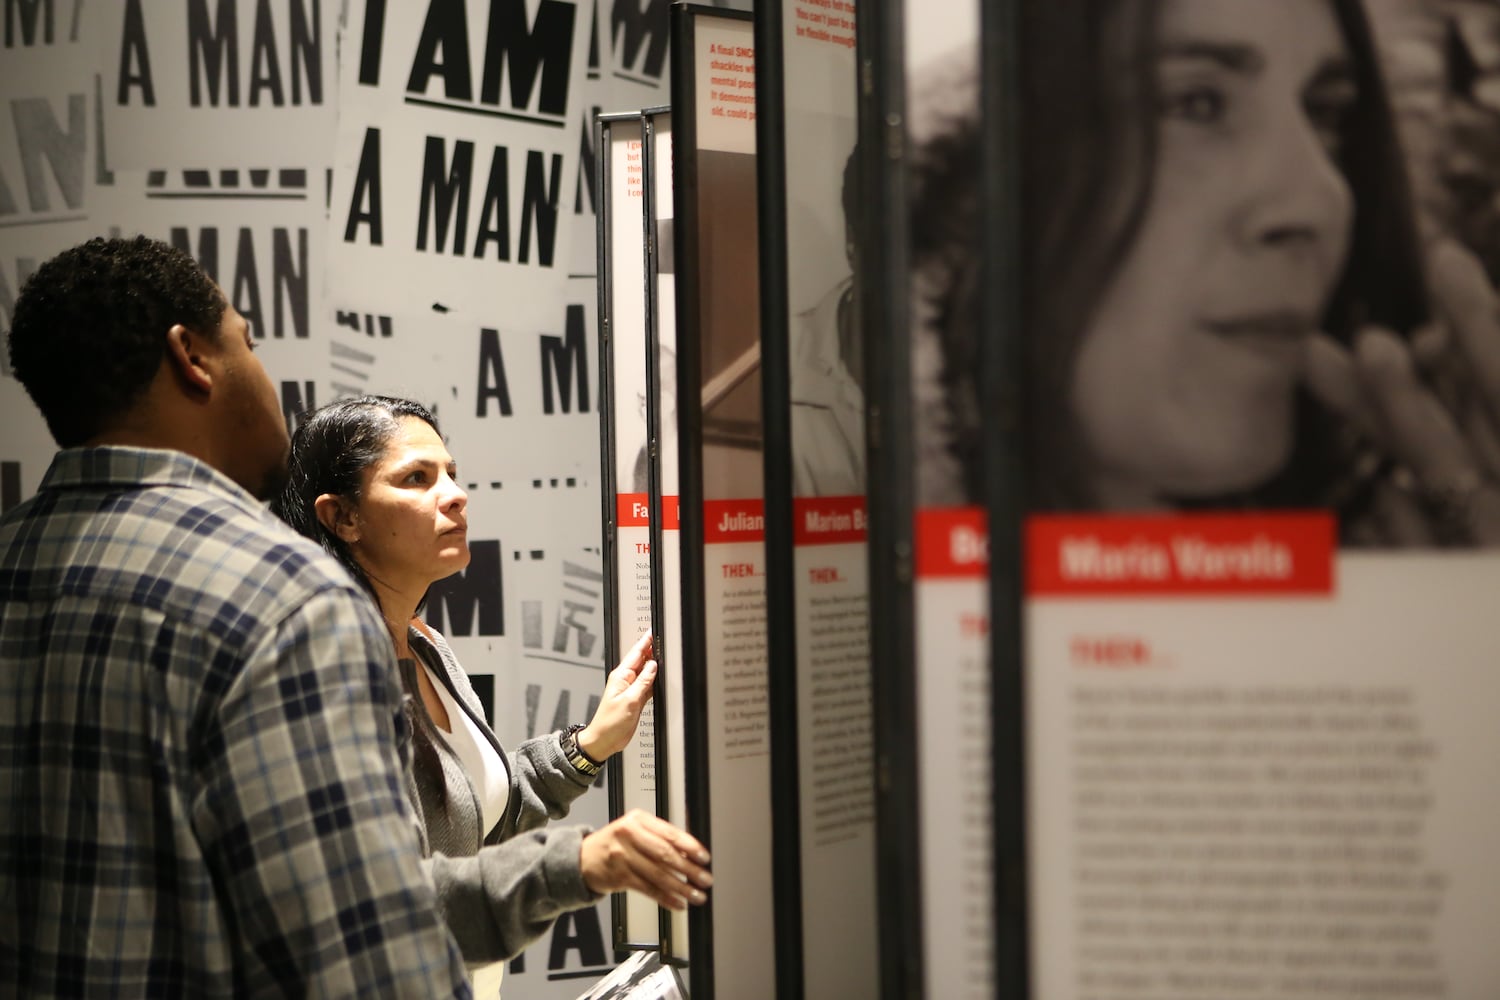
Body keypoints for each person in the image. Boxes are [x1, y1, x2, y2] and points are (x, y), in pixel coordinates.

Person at [0, 236, 472, 996]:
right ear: (192, 357)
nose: (263, 369)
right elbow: (369, 967)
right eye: (248, 340)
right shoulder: (289, 602)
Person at [919, 0, 1500, 546]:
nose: (1322, 200)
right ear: (988, 188)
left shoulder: (1389, 576)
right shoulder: (901, 608)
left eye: (1325, 113)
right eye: (1197, 103)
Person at [270, 395, 713, 964]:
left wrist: (588, 747)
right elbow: (388, 910)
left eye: (451, 473)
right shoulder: (330, 673)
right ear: (343, 518)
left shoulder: (428, 648)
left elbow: (480, 822)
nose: (454, 494)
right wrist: (577, 862)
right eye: (416, 478)